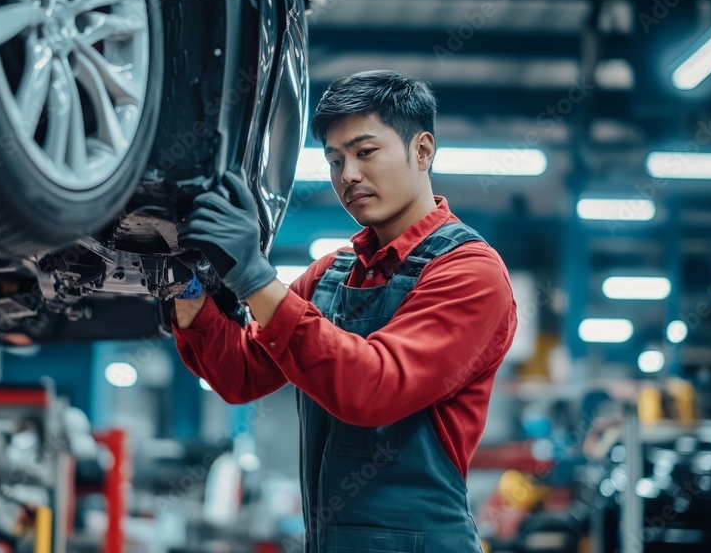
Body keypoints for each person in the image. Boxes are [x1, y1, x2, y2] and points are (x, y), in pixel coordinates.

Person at [172, 70, 518, 552]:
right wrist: (183, 284)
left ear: (422, 150)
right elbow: (240, 375)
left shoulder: (468, 274)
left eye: (365, 152)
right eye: (335, 160)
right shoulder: (332, 275)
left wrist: (255, 277)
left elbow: (372, 389)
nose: (348, 175)